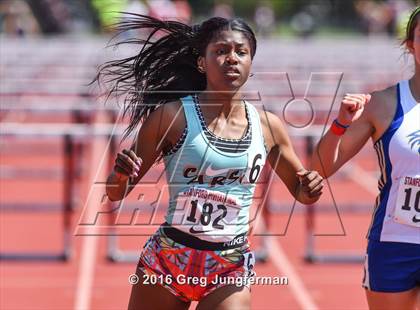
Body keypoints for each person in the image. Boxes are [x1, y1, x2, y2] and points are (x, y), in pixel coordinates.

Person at [95, 14, 324, 310]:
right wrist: (121, 173)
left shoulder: (268, 127)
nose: (232, 59)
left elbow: (302, 192)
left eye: (241, 52)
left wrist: (311, 186)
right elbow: (115, 192)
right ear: (202, 62)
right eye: (221, 51)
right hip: (168, 259)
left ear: (250, 63)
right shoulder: (171, 117)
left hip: (228, 264)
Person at [312, 6, 419, 310]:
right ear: (410, 44)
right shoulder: (383, 104)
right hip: (393, 243)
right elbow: (319, 169)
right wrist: (340, 124)